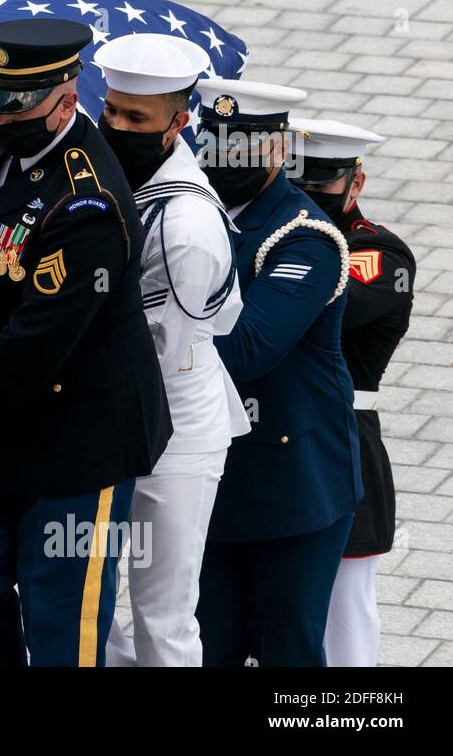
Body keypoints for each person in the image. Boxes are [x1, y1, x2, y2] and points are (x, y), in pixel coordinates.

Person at [0, 18, 172, 667]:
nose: (3, 118)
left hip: (78, 438)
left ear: (65, 102)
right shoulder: (8, 148)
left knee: (60, 622)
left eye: (20, 106)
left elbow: (41, 334)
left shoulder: (88, 204)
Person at [92, 34, 250, 667]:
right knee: (88, 605)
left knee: (163, 613)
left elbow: (156, 348)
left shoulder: (186, 226)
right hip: (111, 414)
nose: (118, 126)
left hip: (176, 426)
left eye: (137, 119)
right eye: (113, 111)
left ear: (178, 121)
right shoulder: (118, 170)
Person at [193, 79, 361, 667]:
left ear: (277, 150)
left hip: (291, 484)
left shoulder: (305, 237)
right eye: (213, 143)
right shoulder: (192, 206)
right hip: (206, 474)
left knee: (286, 651)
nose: (224, 158)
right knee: (209, 647)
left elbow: (246, 351)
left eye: (242, 145)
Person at [288, 119, 414, 667]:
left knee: (344, 606)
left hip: (342, 439)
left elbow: (321, 309)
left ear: (355, 183)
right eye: (298, 187)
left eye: (324, 187)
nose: (310, 199)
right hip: (259, 432)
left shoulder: (378, 255)